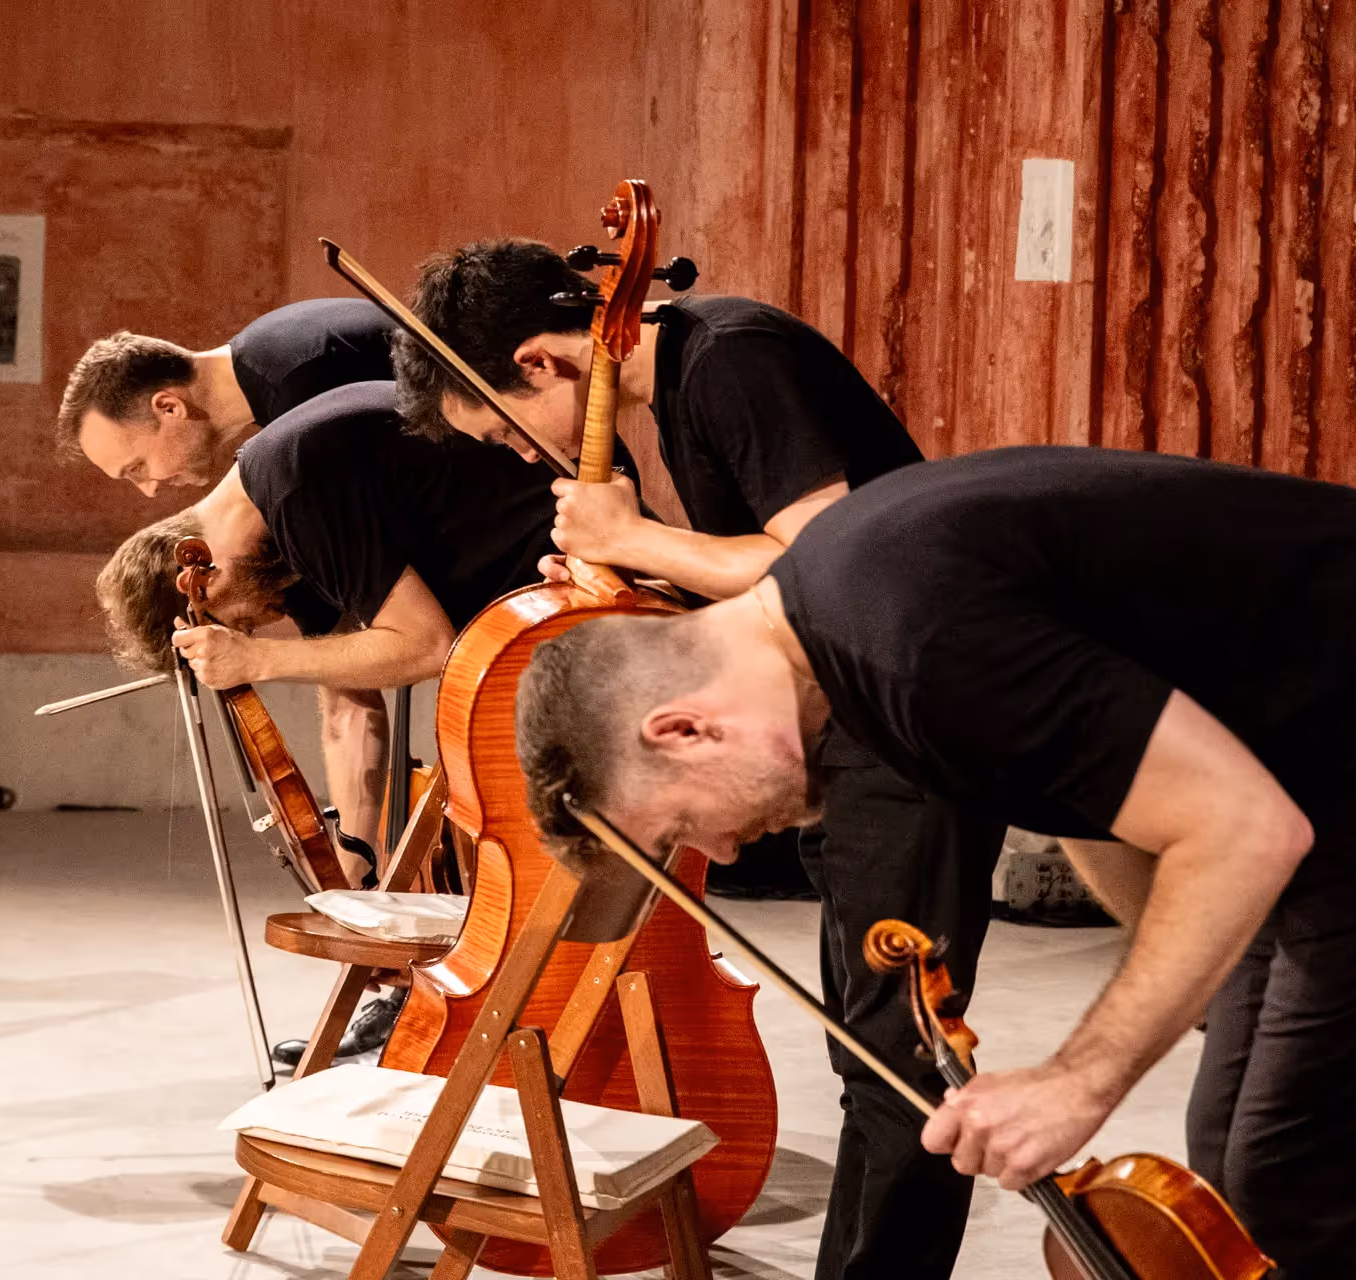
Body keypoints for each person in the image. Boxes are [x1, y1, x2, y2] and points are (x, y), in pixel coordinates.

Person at [509, 447, 1356, 1279]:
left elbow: (1241, 827)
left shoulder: (910, 645)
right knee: (1231, 1142)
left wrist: (1080, 1078)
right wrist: (1215, 996)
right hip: (1325, 740)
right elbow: (1088, 796)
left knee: (1300, 1176)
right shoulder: (839, 626)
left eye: (678, 828)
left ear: (682, 729)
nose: (721, 850)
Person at [394, 239, 1005, 1280]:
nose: (523, 455)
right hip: (858, 719)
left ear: (541, 361)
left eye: (504, 427)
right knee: (871, 1054)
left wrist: (640, 540)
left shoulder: (732, 358)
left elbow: (832, 561)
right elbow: (766, 585)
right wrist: (643, 578)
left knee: (900, 1058)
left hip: (910, 718)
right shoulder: (685, 382)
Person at [97, 380, 557, 1063]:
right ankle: (429, 997)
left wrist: (257, 657)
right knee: (447, 819)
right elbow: (348, 704)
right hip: (512, 613)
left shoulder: (296, 486)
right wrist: (354, 875)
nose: (262, 626)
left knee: (499, 812)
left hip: (555, 575)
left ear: (201, 577)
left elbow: (423, 645)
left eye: (241, 624)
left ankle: (519, 1012)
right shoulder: (271, 538)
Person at [59, 298, 396, 496]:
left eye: (137, 468)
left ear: (169, 407)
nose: (150, 490)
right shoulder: (268, 351)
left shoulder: (300, 389)